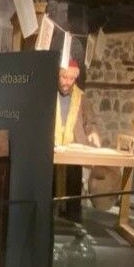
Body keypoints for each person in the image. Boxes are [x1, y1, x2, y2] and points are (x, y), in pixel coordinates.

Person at [55, 58, 100, 221]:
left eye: (71, 78)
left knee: (73, 182)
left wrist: (92, 132)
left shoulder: (81, 97)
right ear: (58, 75)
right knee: (51, 183)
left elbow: (90, 121)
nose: (67, 82)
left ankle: (72, 215)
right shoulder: (48, 94)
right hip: (53, 147)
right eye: (64, 77)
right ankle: (51, 214)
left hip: (73, 148)